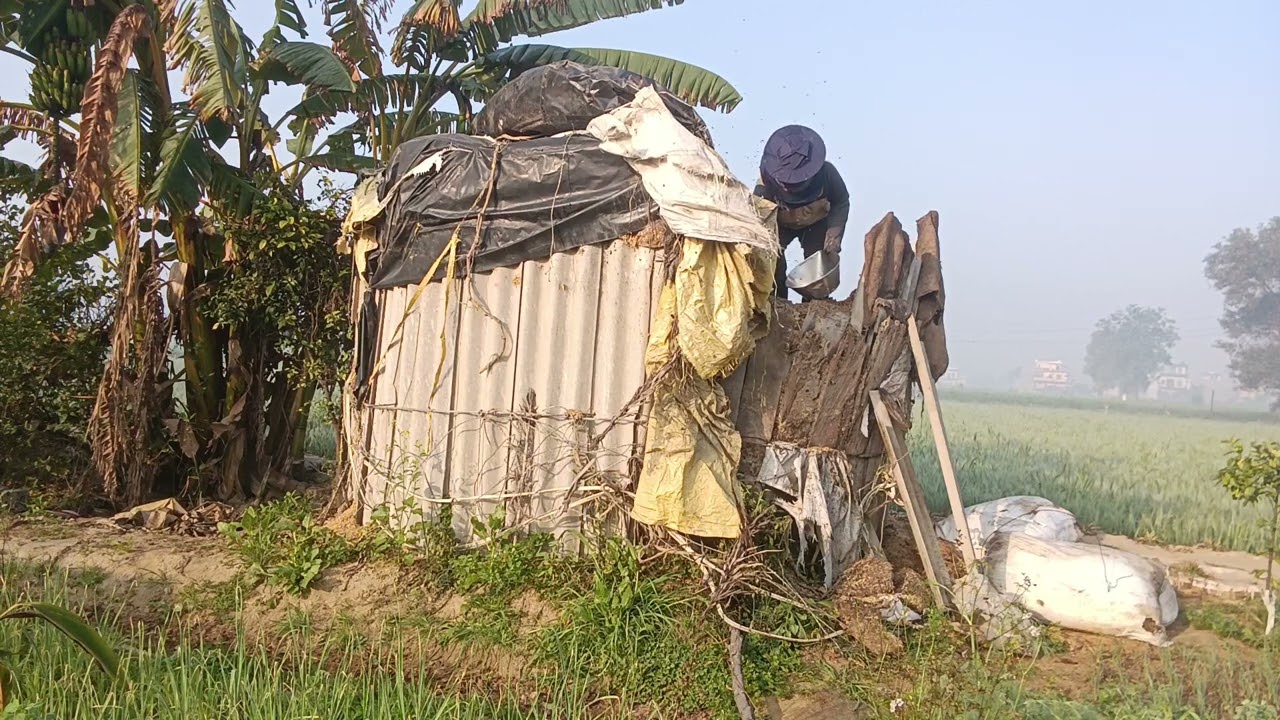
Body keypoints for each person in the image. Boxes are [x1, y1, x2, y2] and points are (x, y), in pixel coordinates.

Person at [754, 125, 850, 299]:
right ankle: (778, 303)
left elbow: (841, 202)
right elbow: (759, 219)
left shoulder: (828, 174)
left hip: (816, 222)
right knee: (772, 259)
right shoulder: (765, 184)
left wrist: (834, 234)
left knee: (818, 264)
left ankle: (815, 305)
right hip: (779, 224)